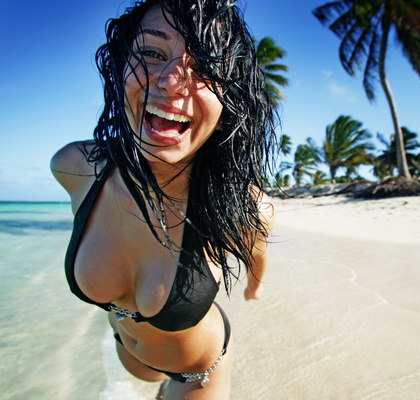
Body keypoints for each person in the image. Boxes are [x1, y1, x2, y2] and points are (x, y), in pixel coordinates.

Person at [50, 0, 276, 398]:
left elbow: (257, 253)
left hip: (197, 372)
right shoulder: (76, 168)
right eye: (152, 53)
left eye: (206, 68)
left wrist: (254, 288)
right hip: (130, 357)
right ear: (119, 69)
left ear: (229, 103)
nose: (173, 81)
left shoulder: (243, 205)